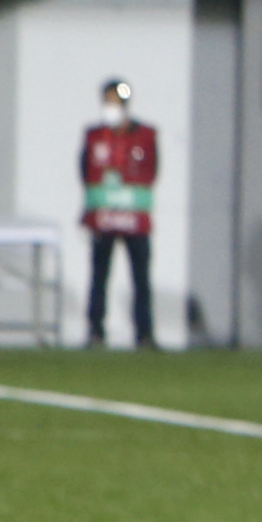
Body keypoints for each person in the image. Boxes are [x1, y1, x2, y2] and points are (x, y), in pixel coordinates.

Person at [80, 78, 161, 347]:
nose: (110, 107)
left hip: (134, 219)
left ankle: (145, 333)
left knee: (140, 278)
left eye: (115, 101)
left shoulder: (145, 136)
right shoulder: (95, 136)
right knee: (99, 276)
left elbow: (151, 171)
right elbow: (85, 171)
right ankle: (95, 331)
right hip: (104, 219)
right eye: (107, 102)